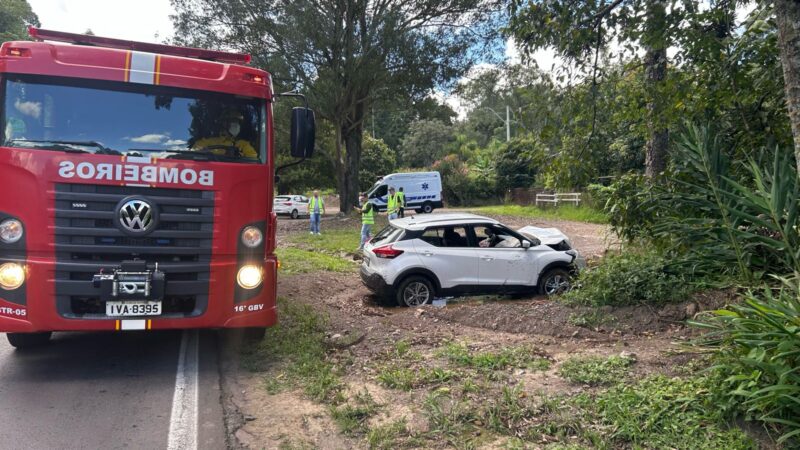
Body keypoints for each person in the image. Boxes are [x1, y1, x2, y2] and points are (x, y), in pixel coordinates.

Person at [192, 109, 257, 159]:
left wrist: (240, 157)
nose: (236, 125)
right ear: (224, 123)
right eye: (233, 121)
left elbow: (254, 160)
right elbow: (192, 153)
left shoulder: (243, 144)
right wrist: (204, 154)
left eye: (238, 122)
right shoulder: (208, 142)